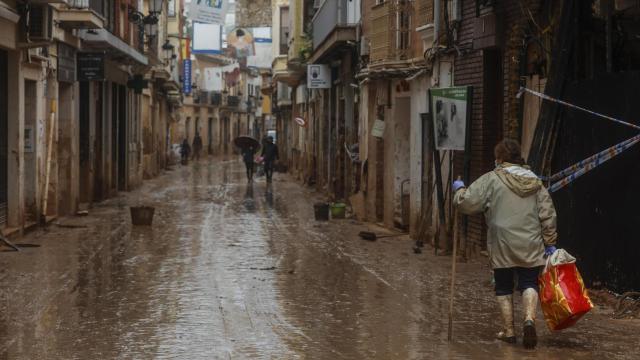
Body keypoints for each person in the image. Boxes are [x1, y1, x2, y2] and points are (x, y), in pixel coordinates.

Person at [452, 139, 558, 349]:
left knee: (503, 284)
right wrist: (550, 241)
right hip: (530, 241)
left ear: (499, 159)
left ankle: (509, 331)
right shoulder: (536, 182)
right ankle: (529, 320)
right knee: (529, 282)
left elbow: (467, 203)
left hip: (502, 242)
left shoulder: (491, 179)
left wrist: (459, 190)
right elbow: (548, 214)